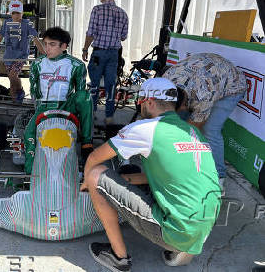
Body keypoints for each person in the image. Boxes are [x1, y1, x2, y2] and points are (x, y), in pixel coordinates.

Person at [81, 77, 221, 272]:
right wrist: (123, 181)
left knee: (96, 174)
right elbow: (168, 176)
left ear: (149, 102)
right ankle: (183, 245)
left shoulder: (145, 129)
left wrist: (86, 183)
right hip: (203, 225)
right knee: (133, 173)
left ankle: (118, 257)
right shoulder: (193, 131)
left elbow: (95, 157)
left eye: (140, 103)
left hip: (175, 230)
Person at [163, 53, 246, 191]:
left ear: (184, 106)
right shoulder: (165, 82)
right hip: (210, 75)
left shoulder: (202, 97)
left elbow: (192, 131)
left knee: (209, 130)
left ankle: (218, 179)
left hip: (233, 84)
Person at [24, 27, 93, 174]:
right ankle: (30, 173)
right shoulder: (37, 64)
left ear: (64, 46)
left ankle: (87, 143)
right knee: (28, 133)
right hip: (43, 107)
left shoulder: (76, 65)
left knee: (85, 96)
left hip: (66, 106)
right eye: (45, 44)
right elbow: (34, 92)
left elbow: (80, 93)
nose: (47, 48)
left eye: (52, 44)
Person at [82, 0, 129, 125]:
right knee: (110, 85)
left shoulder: (97, 10)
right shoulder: (123, 13)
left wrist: (85, 49)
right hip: (114, 54)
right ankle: (109, 117)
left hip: (98, 53)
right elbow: (123, 37)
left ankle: (92, 113)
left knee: (94, 84)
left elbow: (90, 32)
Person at [0, 0, 45, 102]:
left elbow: (35, 39)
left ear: (22, 13)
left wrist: (44, 53)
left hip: (21, 56)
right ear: (10, 14)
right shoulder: (6, 23)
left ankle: (19, 92)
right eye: (13, 13)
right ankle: (16, 99)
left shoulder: (27, 24)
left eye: (18, 13)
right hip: (9, 56)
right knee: (12, 79)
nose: (16, 15)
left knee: (13, 75)